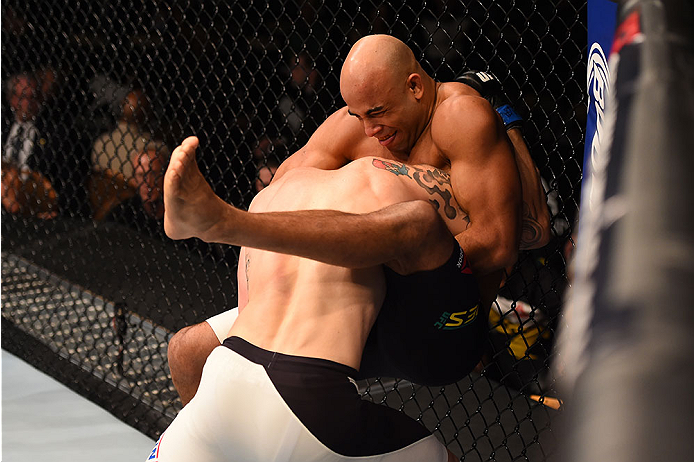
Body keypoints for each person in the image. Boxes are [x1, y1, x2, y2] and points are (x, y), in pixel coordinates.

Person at [167, 34, 551, 405]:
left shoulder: (459, 116)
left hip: (436, 318)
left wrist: (375, 255)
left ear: (415, 87)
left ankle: (223, 224)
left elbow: (502, 240)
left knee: (407, 225)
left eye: (378, 113)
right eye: (359, 115)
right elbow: (279, 192)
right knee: (188, 352)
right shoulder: (356, 125)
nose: (370, 130)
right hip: (352, 291)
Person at [152, 135, 477, 461]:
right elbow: (500, 231)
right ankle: (222, 221)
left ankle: (222, 221)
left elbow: (245, 306)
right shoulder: (387, 181)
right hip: (307, 399)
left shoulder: (273, 192)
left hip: (225, 373)